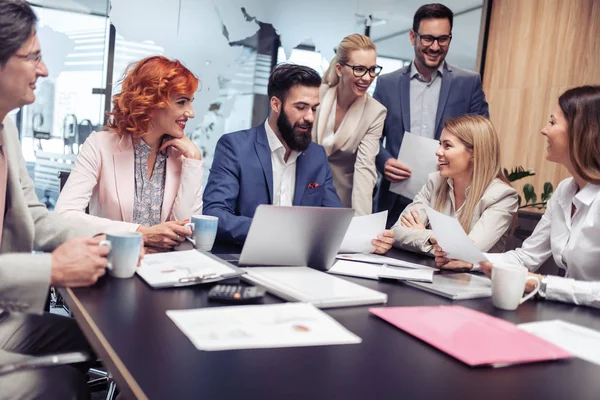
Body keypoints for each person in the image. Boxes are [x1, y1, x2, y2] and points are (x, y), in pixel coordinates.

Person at [0, 1, 111, 398]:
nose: (43, 70)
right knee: (59, 384)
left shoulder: (6, 129)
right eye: (33, 57)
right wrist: (50, 269)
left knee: (89, 344)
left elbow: (34, 215)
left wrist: (107, 240)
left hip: (4, 316)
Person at [435, 86, 600, 309]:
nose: (544, 130)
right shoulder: (564, 191)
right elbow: (525, 258)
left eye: (552, 122)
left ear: (582, 131)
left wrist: (541, 283)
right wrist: (471, 260)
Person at [203, 63, 394, 252]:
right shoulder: (235, 147)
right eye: (301, 107)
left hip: (303, 266)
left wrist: (370, 239)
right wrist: (274, 231)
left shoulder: (317, 156)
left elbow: (335, 220)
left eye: (314, 108)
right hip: (244, 261)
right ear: (276, 104)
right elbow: (215, 214)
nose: (310, 117)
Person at [55, 55, 204, 253]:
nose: (191, 113)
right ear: (152, 102)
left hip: (166, 271)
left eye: (190, 102)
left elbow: (186, 232)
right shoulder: (99, 145)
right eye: (182, 102)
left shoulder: (183, 156)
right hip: (112, 265)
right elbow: (64, 215)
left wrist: (194, 162)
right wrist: (140, 232)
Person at [373, 3, 490, 228]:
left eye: (443, 39)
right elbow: (371, 138)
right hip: (395, 201)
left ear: (450, 37)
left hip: (449, 202)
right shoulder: (387, 84)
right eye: (427, 38)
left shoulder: (468, 83)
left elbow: (482, 139)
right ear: (412, 36)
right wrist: (384, 161)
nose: (435, 47)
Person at [392, 115, 518, 255]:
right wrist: (431, 237)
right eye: (440, 144)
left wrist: (422, 235)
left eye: (447, 145)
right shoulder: (435, 181)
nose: (438, 151)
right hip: (429, 272)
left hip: (474, 277)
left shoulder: (502, 196)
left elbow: (467, 253)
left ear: (475, 153)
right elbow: (396, 232)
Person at [312, 34, 387, 216]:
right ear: (339, 69)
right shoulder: (315, 95)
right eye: (359, 69)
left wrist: (362, 226)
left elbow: (365, 171)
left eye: (372, 70)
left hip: (341, 202)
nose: (367, 78)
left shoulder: (375, 112)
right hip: (302, 195)